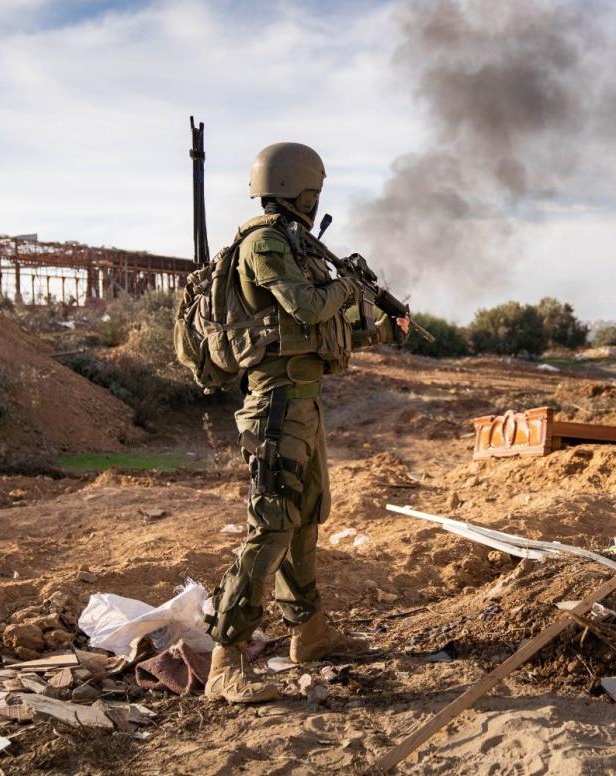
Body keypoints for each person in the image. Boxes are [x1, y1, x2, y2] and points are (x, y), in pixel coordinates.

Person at [203, 142, 409, 703]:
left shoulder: (297, 244)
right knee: (271, 523)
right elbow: (308, 307)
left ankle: (309, 633)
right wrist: (349, 285)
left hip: (302, 400)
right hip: (274, 405)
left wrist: (386, 328)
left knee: (306, 515)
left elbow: (324, 331)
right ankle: (227, 659)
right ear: (304, 188)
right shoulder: (266, 242)